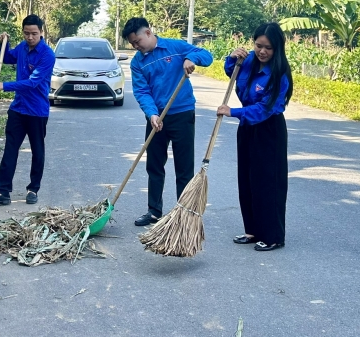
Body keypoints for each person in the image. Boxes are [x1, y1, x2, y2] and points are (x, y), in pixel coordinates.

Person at [122, 17, 213, 226]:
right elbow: (142, 91)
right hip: (157, 118)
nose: (136, 47)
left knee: (184, 168)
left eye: (137, 41)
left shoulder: (176, 46)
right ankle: (154, 211)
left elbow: (207, 55)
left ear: (148, 32)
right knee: (154, 166)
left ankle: (185, 213)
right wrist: (152, 114)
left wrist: (191, 59)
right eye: (133, 44)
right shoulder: (137, 62)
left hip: (182, 114)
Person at [217, 22, 294, 252]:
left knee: (268, 183)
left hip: (269, 129)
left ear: (277, 49)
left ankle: (272, 236)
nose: (262, 51)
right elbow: (233, 73)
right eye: (258, 45)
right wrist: (232, 58)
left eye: (268, 48)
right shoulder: (250, 59)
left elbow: (265, 109)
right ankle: (252, 230)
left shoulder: (279, 75)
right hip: (248, 128)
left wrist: (233, 112)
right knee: (248, 179)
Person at [0, 14, 56, 207]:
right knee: (10, 149)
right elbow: (6, 58)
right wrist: (4, 43)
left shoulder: (47, 55)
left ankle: (33, 189)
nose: (30, 37)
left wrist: (4, 86)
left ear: (41, 32)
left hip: (37, 111)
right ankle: (3, 191)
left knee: (37, 151)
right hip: (18, 108)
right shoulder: (22, 48)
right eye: (26, 33)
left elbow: (33, 83)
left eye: (34, 34)